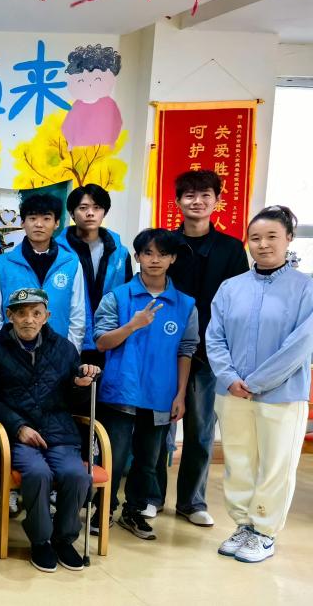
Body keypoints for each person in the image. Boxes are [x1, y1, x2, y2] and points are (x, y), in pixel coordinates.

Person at [207, 206, 313, 564]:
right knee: (238, 460)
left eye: (272, 237)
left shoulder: (305, 288)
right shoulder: (231, 287)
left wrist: (258, 382)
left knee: (275, 464)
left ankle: (264, 531)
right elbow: (215, 337)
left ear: (288, 239)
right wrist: (229, 378)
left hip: (281, 395)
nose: (263, 244)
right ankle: (243, 524)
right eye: (255, 238)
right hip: (232, 392)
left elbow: (301, 344)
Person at [153, 169, 250, 526]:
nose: (197, 201)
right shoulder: (164, 244)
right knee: (158, 429)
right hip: (163, 351)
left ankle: (192, 502)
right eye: (189, 195)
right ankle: (151, 497)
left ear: (217, 201)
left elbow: (238, 304)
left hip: (210, 353)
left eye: (205, 195)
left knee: (201, 430)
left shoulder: (231, 249)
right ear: (177, 201)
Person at [93, 229, 198, 541]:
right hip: (120, 392)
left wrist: (180, 394)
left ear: (172, 259)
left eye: (162, 254)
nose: (155, 260)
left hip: (161, 395)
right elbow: (101, 342)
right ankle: (103, 509)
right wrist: (132, 325)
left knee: (149, 461)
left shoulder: (185, 304)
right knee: (113, 457)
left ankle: (135, 511)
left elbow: (186, 350)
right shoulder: (118, 297)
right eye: (148, 253)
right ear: (137, 256)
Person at [0, 288, 98, 573]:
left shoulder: (65, 349)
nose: (29, 320)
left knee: (77, 475)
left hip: (59, 432)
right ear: (9, 315)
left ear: (46, 316)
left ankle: (64, 539)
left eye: (36, 313)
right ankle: (41, 540)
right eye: (21, 313)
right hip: (18, 434)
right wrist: (18, 427)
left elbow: (76, 402)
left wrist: (80, 386)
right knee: (37, 474)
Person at [0, 193, 87, 352]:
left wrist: (71, 354)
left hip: (58, 352)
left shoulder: (71, 263)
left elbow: (77, 315)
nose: (39, 224)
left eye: (46, 218)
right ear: (22, 222)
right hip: (12, 353)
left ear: (56, 223)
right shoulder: (3, 264)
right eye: (32, 218)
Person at [55, 184, 133, 365]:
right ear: (72, 213)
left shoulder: (120, 252)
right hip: (68, 336)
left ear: (104, 212)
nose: (90, 213)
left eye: (97, 208)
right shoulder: (57, 251)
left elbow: (127, 292)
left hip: (109, 336)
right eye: (83, 208)